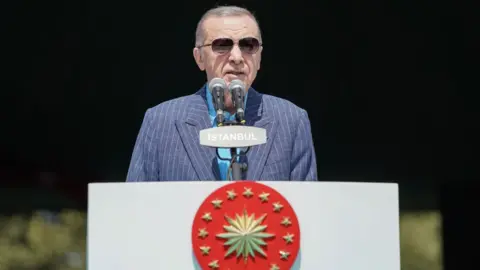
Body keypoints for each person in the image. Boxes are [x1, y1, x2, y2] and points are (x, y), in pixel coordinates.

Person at [126, 6, 317, 181]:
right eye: (222, 45)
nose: (237, 57)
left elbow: (305, 208)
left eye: (248, 45)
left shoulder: (291, 120)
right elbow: (136, 205)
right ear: (199, 58)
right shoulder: (161, 122)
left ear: (259, 57)